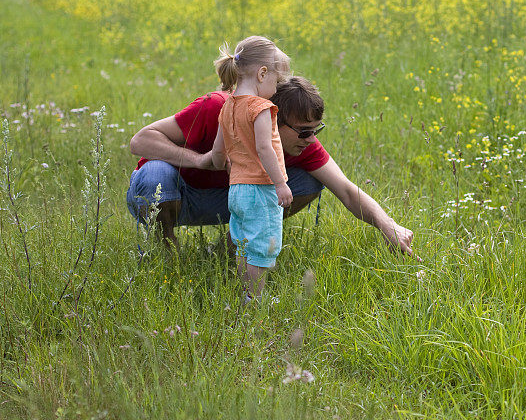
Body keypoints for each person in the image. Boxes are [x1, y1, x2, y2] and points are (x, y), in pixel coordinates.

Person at [127, 61, 415, 258]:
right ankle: (166, 250)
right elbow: (140, 141)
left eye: (315, 131)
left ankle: (234, 248)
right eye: (303, 132)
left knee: (309, 180)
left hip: (232, 198)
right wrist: (201, 160)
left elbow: (347, 191)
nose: (311, 139)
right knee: (154, 175)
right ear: (272, 120)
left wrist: (389, 226)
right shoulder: (218, 107)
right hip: (180, 194)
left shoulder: (300, 143)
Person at [209, 36, 291, 300]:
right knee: (261, 248)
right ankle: (256, 299)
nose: (275, 89)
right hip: (261, 188)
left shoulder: (227, 106)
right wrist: (280, 183)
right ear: (262, 73)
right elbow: (265, 148)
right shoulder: (261, 107)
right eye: (275, 82)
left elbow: (217, 151)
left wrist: (225, 166)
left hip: (237, 190)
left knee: (244, 245)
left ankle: (248, 294)